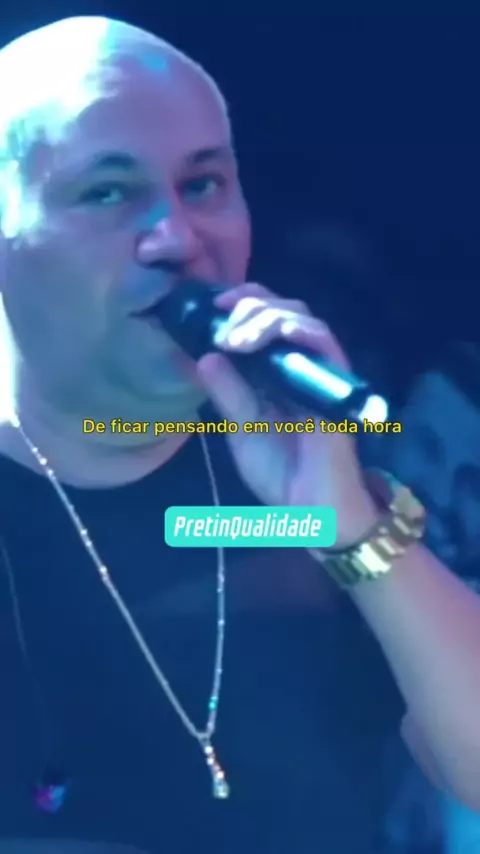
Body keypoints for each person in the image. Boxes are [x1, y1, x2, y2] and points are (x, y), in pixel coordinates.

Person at [0, 15, 479, 854]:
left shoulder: (291, 489)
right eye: (107, 192)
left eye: (204, 185)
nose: (177, 239)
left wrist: (349, 527)